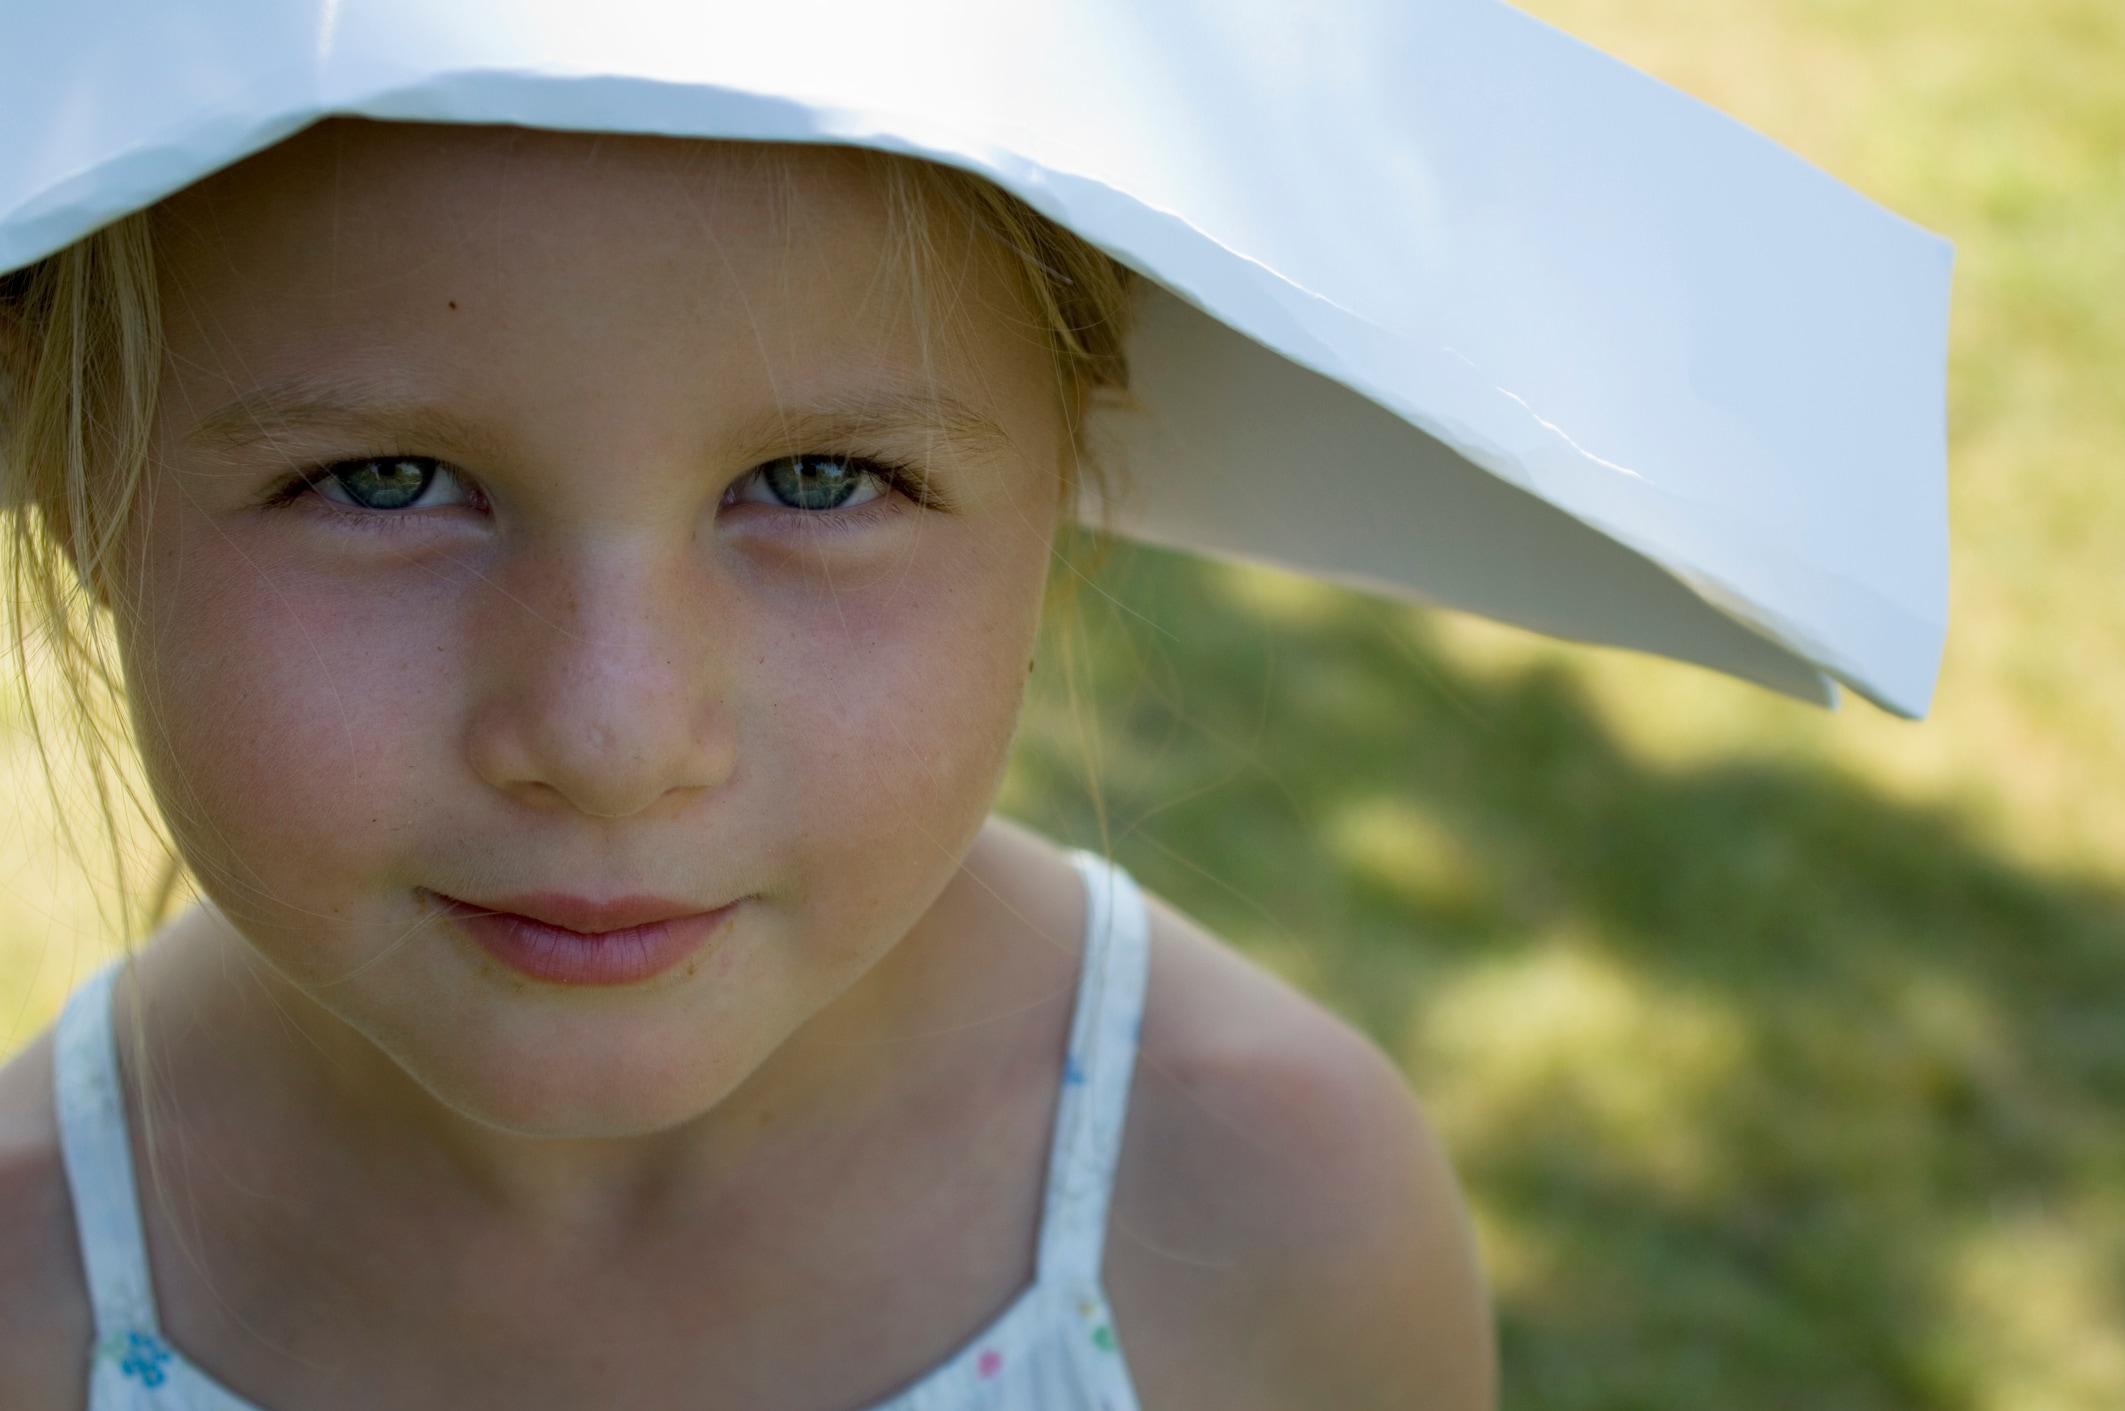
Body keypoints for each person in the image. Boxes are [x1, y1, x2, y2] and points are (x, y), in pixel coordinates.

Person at [0, 120, 1496, 1410]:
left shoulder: (1266, 1213)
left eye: (816, 481)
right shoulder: (27, 1300)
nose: (611, 744)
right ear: (83, 489)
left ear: (1062, 493)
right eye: (384, 482)